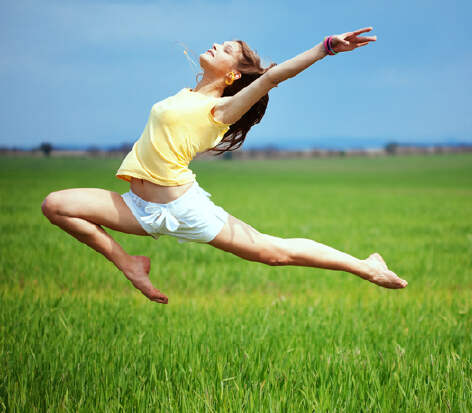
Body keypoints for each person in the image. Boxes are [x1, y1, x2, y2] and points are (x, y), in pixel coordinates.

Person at [41, 27, 408, 304]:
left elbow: (272, 77)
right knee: (56, 206)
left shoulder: (220, 110)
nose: (216, 45)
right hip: (137, 207)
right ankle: (131, 265)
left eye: (228, 49)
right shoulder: (185, 96)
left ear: (233, 75)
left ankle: (367, 267)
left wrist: (325, 47)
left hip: (181, 208)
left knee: (272, 253)